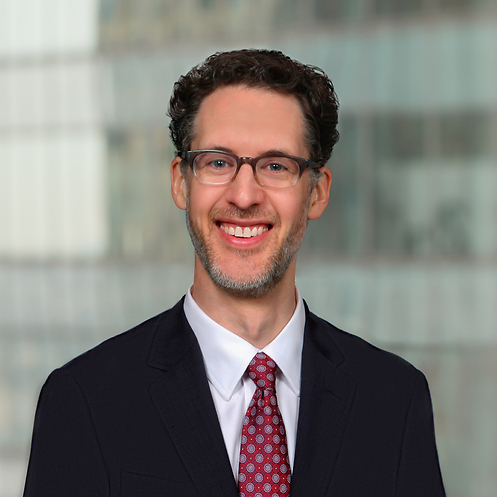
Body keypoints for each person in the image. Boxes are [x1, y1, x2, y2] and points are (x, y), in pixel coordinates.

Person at [23, 49, 446, 496]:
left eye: (276, 166)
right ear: (181, 183)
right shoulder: (86, 401)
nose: (244, 196)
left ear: (317, 193)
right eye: (218, 162)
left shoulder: (394, 400)